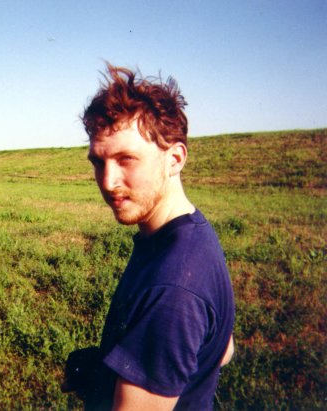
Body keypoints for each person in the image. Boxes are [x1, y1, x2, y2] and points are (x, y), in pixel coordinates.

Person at [73, 63, 235, 410]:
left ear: (174, 158)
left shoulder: (172, 289)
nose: (107, 181)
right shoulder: (191, 234)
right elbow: (223, 349)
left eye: (126, 159)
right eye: (98, 162)